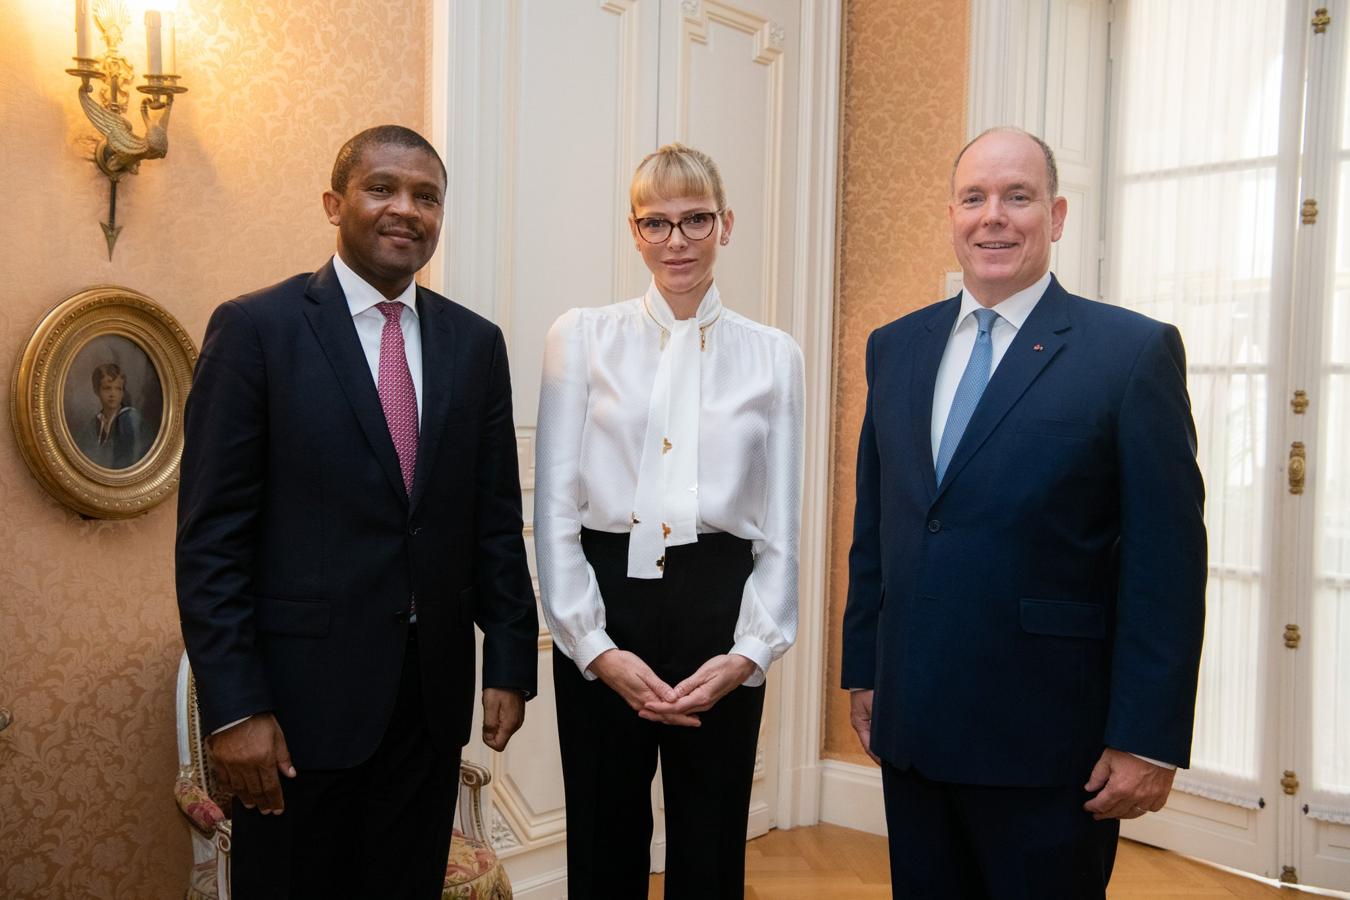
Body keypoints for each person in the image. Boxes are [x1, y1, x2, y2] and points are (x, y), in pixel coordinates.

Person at [841, 127, 1207, 899]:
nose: (993, 217)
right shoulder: (895, 347)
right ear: (950, 214)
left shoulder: (1130, 354)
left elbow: (1166, 567)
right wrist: (864, 670)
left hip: (1050, 746)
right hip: (914, 731)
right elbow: (878, 526)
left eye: (1018, 196)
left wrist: (1146, 737)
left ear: (1058, 214)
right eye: (974, 198)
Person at [176, 125, 538, 899]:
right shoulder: (255, 331)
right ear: (334, 203)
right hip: (298, 713)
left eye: (427, 196)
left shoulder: (476, 344)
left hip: (429, 705)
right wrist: (236, 709)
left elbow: (494, 518)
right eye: (383, 188)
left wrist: (509, 657)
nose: (406, 209)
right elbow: (211, 542)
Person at [534, 142, 804, 898]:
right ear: (633, 229)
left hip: (721, 603)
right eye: (656, 223)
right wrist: (591, 645)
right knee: (602, 830)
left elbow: (781, 526)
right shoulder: (581, 337)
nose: (676, 241)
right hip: (604, 597)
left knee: (712, 837)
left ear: (727, 224)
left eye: (695, 220)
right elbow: (554, 507)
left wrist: (750, 651)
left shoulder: (775, 356)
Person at [77, 362, 149, 468]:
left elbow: (130, 458)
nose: (112, 394)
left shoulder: (130, 418)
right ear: (97, 391)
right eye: (107, 388)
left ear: (123, 392)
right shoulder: (96, 422)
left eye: (118, 388)